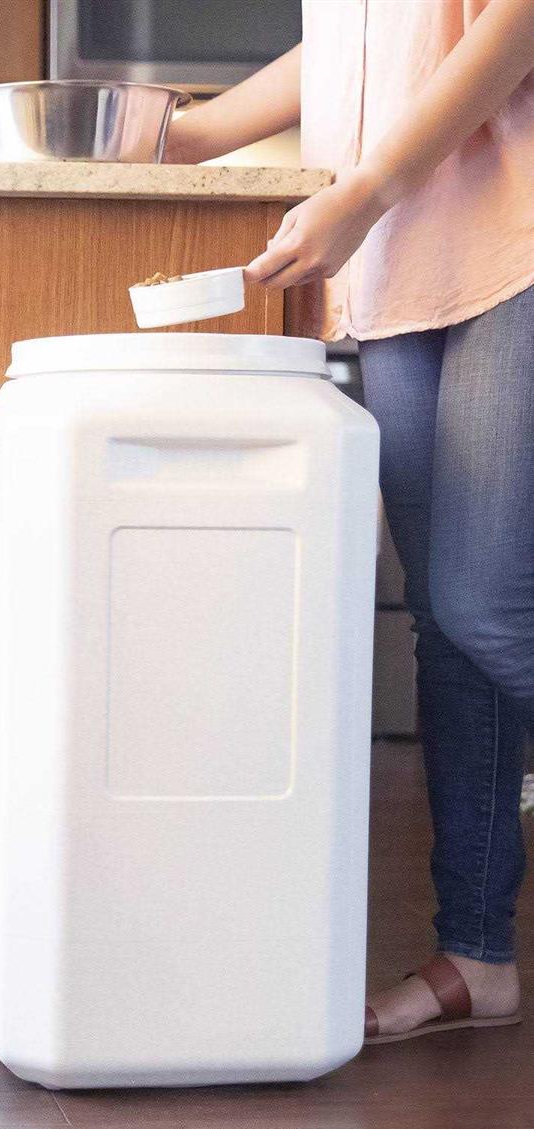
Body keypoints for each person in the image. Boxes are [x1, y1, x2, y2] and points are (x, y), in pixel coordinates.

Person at [164, 0, 534, 1042]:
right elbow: (361, 32)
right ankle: (477, 956)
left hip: (512, 238)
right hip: (403, 256)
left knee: (485, 605)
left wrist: (363, 192)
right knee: (446, 626)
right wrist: (186, 133)